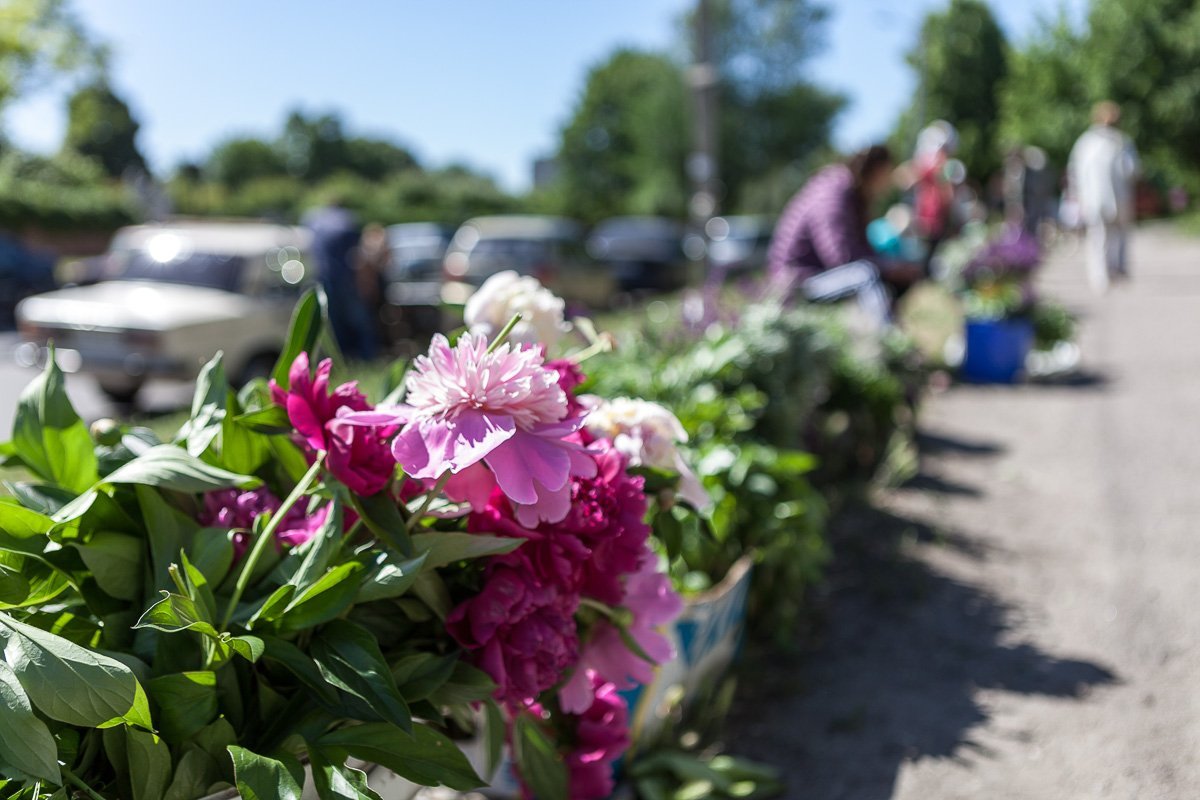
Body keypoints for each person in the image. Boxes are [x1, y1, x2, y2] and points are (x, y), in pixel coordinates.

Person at [767, 144, 923, 328]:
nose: (887, 185)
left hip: (820, 275)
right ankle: (887, 340)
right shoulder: (833, 194)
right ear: (874, 170)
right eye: (885, 175)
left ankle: (888, 330)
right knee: (865, 275)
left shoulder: (856, 197)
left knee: (893, 275)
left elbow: (861, 251)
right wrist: (888, 269)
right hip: (798, 281)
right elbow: (840, 257)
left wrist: (893, 268)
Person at [1068, 101, 1140, 293]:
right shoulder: (1119, 141)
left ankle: (1107, 274)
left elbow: (1074, 173)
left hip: (1101, 198)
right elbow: (1132, 170)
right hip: (1108, 198)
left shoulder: (1087, 142)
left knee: (1103, 236)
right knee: (1105, 235)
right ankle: (1107, 273)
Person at [303, 199, 379, 360]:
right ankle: (368, 357)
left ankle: (343, 358)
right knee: (360, 321)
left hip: (323, 278)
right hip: (345, 278)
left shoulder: (314, 219)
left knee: (335, 323)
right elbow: (358, 256)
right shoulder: (347, 219)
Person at [912, 120, 960, 273]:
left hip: (927, 212)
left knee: (928, 252)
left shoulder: (926, 160)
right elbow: (946, 191)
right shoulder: (938, 161)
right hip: (933, 213)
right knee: (931, 251)